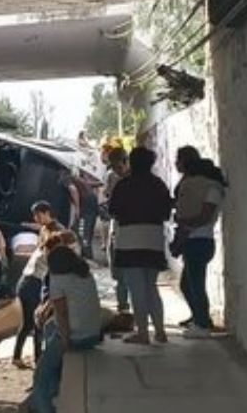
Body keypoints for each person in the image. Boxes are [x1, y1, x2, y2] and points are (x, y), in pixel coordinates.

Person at [21, 245, 103, 413]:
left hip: (76, 336)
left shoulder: (58, 279)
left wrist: (65, 340)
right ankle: (37, 400)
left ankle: (42, 407)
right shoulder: (86, 275)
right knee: (50, 328)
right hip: (93, 333)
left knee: (42, 373)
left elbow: (61, 313)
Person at [108, 147, 173, 345]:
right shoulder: (158, 184)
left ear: (130, 161)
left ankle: (143, 333)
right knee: (151, 286)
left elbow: (113, 211)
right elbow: (166, 212)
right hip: (154, 238)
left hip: (129, 239)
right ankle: (160, 331)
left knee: (136, 287)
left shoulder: (123, 185)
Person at [175, 156, 226, 338]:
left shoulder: (212, 190)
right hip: (197, 240)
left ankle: (202, 324)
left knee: (195, 284)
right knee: (188, 284)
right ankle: (199, 318)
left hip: (200, 240)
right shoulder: (210, 189)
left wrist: (186, 223)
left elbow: (205, 216)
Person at [13, 217, 64, 369]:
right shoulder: (49, 255)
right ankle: (38, 358)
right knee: (37, 323)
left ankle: (18, 357)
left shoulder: (40, 249)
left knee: (27, 323)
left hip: (24, 284)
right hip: (32, 286)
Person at [103, 147, 131, 314]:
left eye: (117, 166)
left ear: (125, 161)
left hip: (129, 230)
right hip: (117, 226)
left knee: (129, 273)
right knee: (118, 271)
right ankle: (123, 305)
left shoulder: (132, 181)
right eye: (112, 166)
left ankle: (130, 307)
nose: (115, 170)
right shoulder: (112, 177)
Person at [73, 173, 101, 259]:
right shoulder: (80, 180)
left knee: (83, 232)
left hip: (85, 208)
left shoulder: (66, 177)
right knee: (85, 231)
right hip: (91, 206)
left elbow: (72, 189)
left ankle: (87, 256)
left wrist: (77, 208)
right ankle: (86, 254)